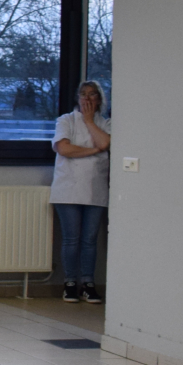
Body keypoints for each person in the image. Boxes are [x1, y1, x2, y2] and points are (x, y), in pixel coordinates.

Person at [52, 80, 110, 304]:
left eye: (93, 95)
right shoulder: (66, 120)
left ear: (99, 100)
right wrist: (94, 150)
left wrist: (89, 122)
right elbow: (64, 148)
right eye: (83, 94)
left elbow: (104, 142)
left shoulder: (105, 123)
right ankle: (70, 283)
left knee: (89, 239)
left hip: (95, 189)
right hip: (68, 188)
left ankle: (88, 283)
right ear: (77, 98)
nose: (87, 99)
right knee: (71, 239)